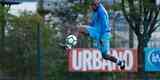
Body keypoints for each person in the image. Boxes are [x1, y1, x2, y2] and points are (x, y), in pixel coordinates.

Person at [60, 0, 125, 69]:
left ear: (98, 3)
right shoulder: (95, 10)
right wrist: (87, 31)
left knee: (105, 55)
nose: (92, 7)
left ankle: (120, 62)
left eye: (93, 5)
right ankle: (68, 46)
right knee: (78, 29)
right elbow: (93, 23)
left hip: (104, 34)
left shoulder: (102, 12)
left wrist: (101, 39)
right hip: (96, 30)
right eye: (91, 4)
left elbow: (104, 27)